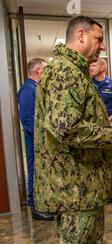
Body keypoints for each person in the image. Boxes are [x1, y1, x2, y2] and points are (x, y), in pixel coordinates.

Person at [34, 16, 112, 244]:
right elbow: (66, 129)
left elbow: (72, 119)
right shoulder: (64, 71)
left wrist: (105, 126)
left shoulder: (74, 71)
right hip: (74, 190)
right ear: (80, 35)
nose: (102, 47)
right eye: (98, 39)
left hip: (83, 188)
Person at [17, 58, 53, 221]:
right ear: (38, 69)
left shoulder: (35, 88)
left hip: (39, 138)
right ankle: (35, 207)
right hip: (35, 139)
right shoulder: (28, 89)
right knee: (35, 170)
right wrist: (42, 136)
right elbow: (27, 118)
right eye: (45, 69)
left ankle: (41, 204)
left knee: (40, 171)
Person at [89, 58, 112, 123]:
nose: (90, 68)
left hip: (109, 124)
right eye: (90, 66)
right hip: (92, 125)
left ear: (102, 68)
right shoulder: (88, 84)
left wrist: (109, 119)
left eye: (93, 66)